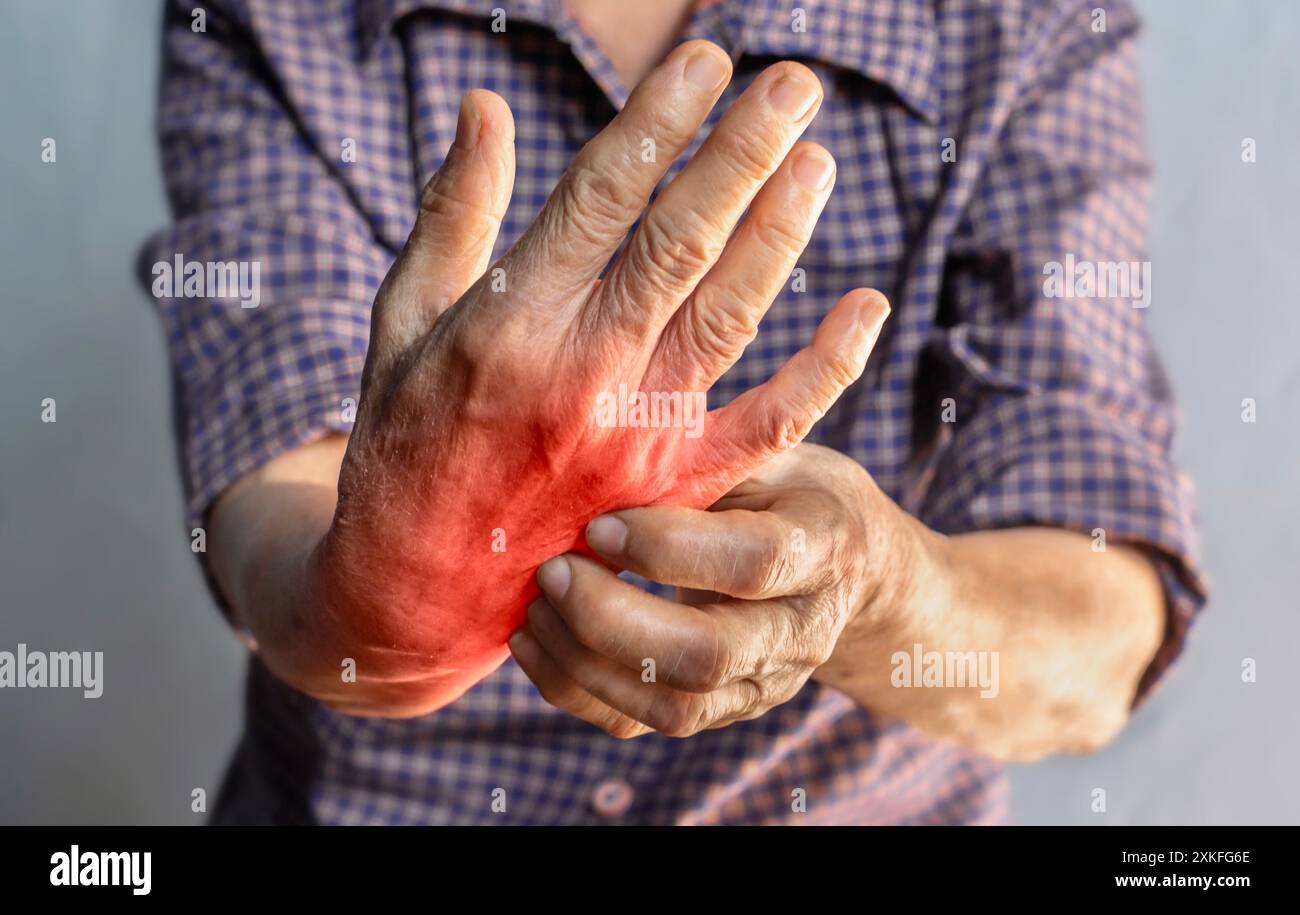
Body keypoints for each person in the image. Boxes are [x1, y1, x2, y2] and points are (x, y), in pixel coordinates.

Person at [140, 0, 1207, 824]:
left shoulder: (1023, 24)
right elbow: (274, 517)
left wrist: (879, 590)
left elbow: (1100, 633)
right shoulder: (279, 16)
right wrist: (404, 596)